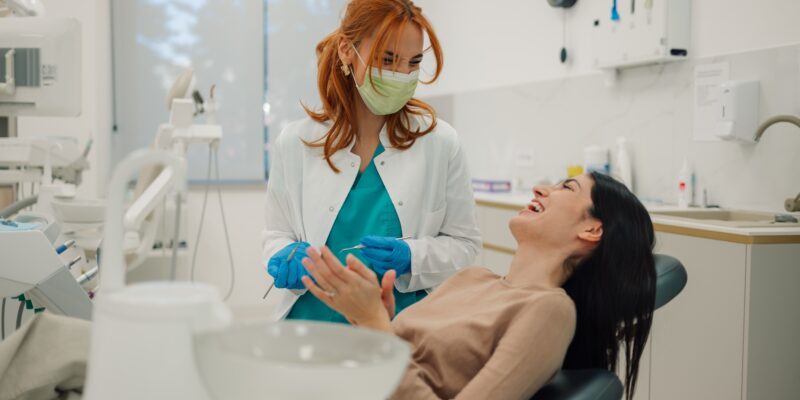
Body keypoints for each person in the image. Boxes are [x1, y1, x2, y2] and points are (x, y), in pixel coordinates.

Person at [299, 172, 657, 400]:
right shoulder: (473, 277)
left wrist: (377, 326)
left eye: (567, 187)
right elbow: (392, 361)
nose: (540, 188)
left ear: (591, 230)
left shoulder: (550, 310)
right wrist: (370, 321)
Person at [262, 0, 481, 322]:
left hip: (402, 325)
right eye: (388, 60)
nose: (402, 75)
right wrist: (282, 255)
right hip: (314, 322)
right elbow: (276, 232)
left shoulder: (439, 142)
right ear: (347, 50)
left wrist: (413, 257)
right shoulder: (295, 143)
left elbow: (465, 245)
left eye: (413, 62)